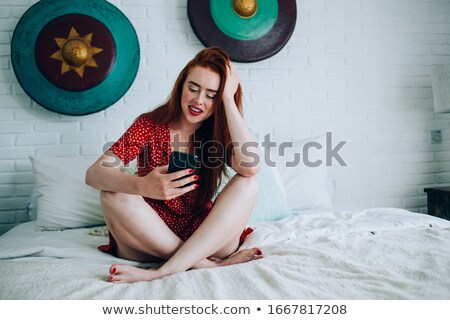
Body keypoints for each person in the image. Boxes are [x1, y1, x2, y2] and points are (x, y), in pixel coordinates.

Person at [85, 47, 262, 283]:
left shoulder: (216, 135)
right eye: (193, 88)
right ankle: (202, 264)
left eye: (211, 94)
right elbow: (94, 173)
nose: (199, 100)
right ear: (181, 86)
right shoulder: (149, 124)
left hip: (203, 236)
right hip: (148, 237)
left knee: (248, 183)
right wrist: (143, 186)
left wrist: (228, 99)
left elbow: (250, 167)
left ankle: (165, 270)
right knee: (112, 194)